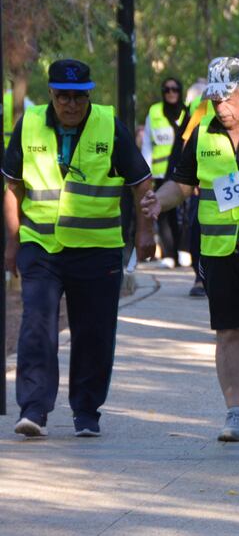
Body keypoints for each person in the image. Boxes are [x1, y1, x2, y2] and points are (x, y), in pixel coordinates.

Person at [3, 59, 155, 437]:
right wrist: (12, 241)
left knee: (94, 332)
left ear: (89, 95)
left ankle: (86, 412)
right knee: (37, 325)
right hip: (41, 245)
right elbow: (13, 187)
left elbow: (142, 182)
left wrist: (145, 234)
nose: (70, 104)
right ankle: (34, 409)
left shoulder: (109, 125)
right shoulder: (30, 124)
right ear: (51, 94)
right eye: (62, 96)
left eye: (78, 97)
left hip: (98, 248)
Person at [141, 57, 239, 443]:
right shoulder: (202, 134)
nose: (221, 107)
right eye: (215, 99)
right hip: (220, 250)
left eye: (228, 98)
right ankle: (235, 414)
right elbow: (182, 183)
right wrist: (160, 201)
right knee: (229, 331)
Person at [141, 77, 189, 268]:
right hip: (161, 175)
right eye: (167, 89)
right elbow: (147, 146)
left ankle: (184, 250)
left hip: (184, 174)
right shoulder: (154, 112)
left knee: (185, 214)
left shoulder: (188, 112)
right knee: (164, 215)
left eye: (175, 89)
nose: (171, 93)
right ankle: (169, 253)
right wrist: (146, 174)